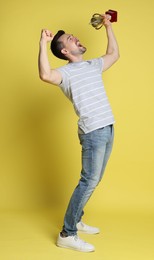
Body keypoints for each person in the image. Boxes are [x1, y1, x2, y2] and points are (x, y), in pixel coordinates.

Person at [38, 14, 119, 252]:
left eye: (74, 36)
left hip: (108, 126)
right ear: (65, 51)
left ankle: (77, 218)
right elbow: (44, 74)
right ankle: (67, 233)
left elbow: (114, 54)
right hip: (93, 131)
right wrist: (43, 43)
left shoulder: (92, 64)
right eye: (71, 39)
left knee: (94, 179)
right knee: (88, 181)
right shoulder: (66, 74)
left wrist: (108, 27)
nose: (76, 38)